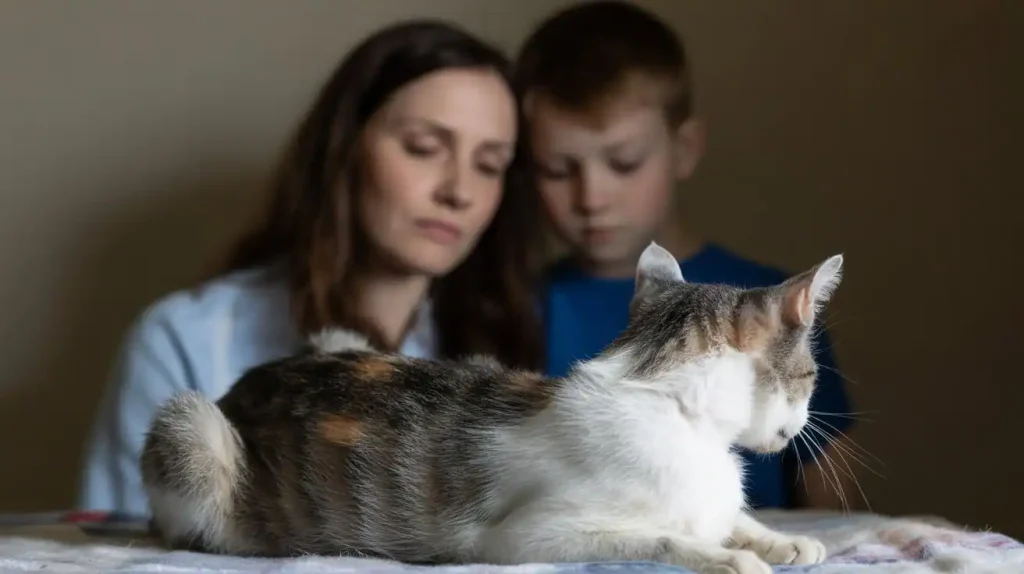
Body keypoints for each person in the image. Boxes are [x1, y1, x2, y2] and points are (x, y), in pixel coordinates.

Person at [78, 19, 545, 516]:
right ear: (344, 149)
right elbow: (117, 546)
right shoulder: (185, 339)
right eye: (423, 148)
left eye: (489, 165)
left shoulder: (507, 343)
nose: (459, 191)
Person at [515, 1, 857, 510]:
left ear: (684, 148)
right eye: (557, 170)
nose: (591, 197)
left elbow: (835, 509)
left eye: (624, 162)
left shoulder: (777, 309)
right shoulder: (513, 307)